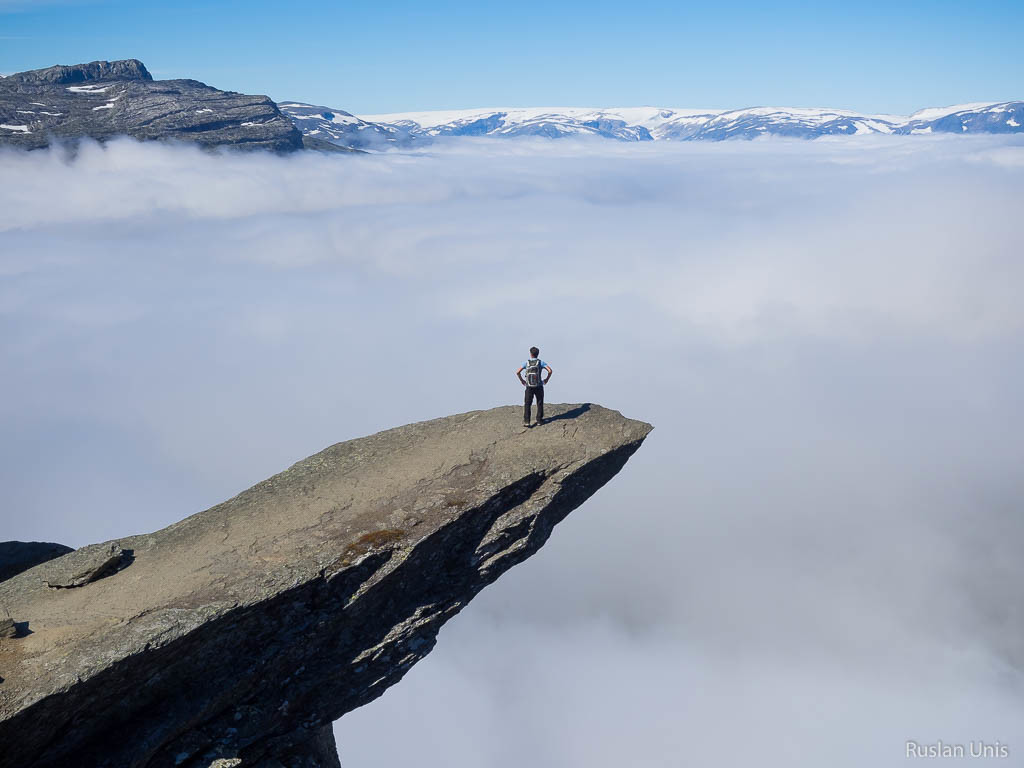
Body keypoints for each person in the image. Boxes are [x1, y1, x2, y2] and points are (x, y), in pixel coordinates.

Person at [516, 347, 553, 426]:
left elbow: (517, 372)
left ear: (530, 354)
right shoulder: (541, 362)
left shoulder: (526, 363)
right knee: (539, 402)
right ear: (538, 354)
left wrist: (522, 380)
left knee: (527, 403)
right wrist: (546, 379)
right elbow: (550, 371)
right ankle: (539, 420)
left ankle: (527, 421)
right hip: (539, 385)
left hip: (529, 386)